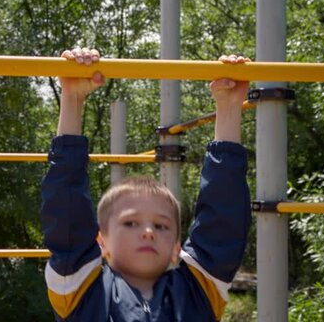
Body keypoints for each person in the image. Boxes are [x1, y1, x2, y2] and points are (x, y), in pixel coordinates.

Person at [41, 47, 251, 321]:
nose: (148, 232)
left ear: (177, 246)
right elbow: (66, 212)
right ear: (101, 242)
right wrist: (72, 98)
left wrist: (230, 107)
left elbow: (223, 220)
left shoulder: (195, 293)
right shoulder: (81, 290)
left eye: (162, 226)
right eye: (130, 223)